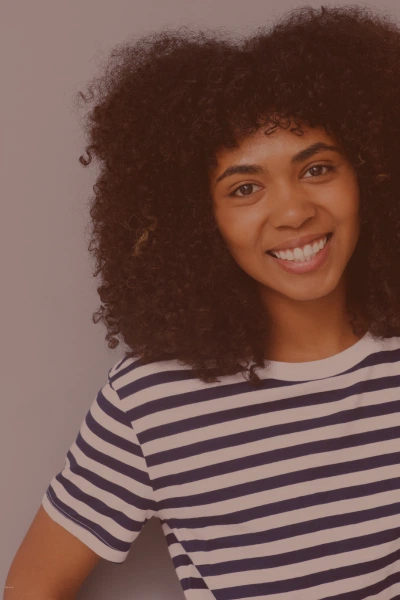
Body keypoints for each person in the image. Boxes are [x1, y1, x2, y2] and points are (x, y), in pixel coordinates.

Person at [5, 4, 400, 599]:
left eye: (317, 168)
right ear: (199, 221)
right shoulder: (152, 398)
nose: (293, 211)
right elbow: (32, 587)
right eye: (245, 188)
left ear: (369, 175)